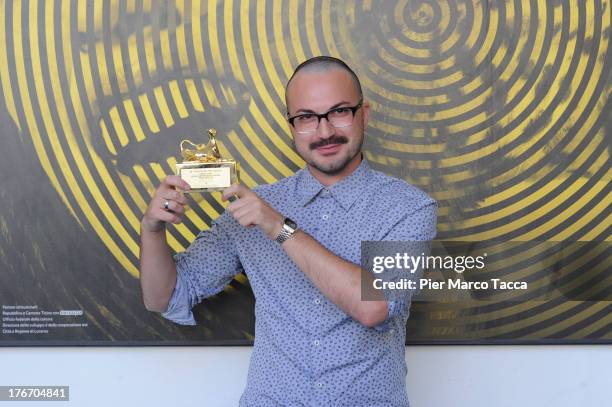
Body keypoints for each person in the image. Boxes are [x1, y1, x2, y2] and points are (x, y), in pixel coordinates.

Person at [139, 56, 437, 406]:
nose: (324, 131)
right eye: (306, 118)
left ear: (364, 114)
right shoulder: (252, 208)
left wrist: (278, 227)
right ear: (292, 126)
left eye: (339, 111)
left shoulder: (410, 208)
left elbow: (376, 307)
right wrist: (153, 230)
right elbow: (163, 297)